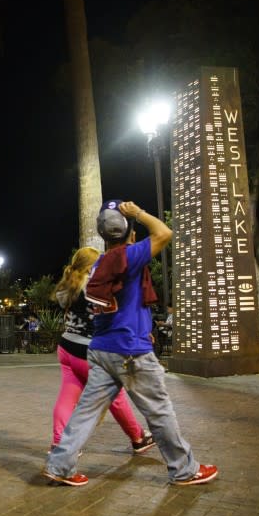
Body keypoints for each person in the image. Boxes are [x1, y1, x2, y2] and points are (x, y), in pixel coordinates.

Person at [42, 200, 217, 487]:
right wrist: (138, 214)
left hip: (100, 349)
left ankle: (60, 465)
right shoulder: (128, 256)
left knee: (85, 413)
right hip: (129, 351)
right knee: (159, 411)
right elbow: (164, 233)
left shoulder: (98, 265)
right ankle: (185, 469)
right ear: (129, 234)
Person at [50, 246, 155, 455]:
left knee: (67, 396)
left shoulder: (67, 287)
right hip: (88, 351)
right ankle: (137, 437)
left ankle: (59, 442)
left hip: (66, 348)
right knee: (115, 397)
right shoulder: (94, 287)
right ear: (92, 266)